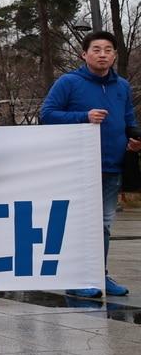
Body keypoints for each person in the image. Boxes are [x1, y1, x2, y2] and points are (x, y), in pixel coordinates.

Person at [41, 30, 139, 298]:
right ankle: (75, 277)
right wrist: (83, 116)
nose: (103, 54)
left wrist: (135, 140)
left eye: (108, 50)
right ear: (84, 54)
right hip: (78, 166)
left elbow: (130, 121)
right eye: (96, 49)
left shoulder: (122, 87)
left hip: (111, 167)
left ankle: (100, 274)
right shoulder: (68, 82)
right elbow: (47, 115)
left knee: (104, 224)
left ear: (115, 55)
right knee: (79, 222)